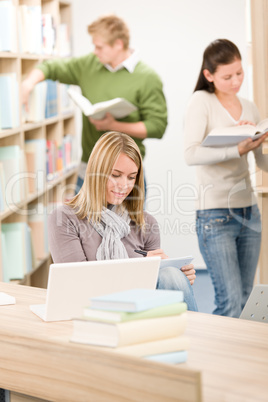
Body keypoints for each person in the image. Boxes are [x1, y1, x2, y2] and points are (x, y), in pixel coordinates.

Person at [48, 131, 198, 311]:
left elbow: (151, 291)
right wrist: (140, 265)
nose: (124, 185)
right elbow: (77, 284)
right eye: (115, 175)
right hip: (91, 308)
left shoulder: (146, 223)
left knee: (171, 275)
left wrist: (179, 275)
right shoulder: (65, 218)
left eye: (131, 177)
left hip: (138, 308)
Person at [21, 14, 168, 193]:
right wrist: (28, 84)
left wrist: (114, 125)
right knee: (78, 221)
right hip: (89, 170)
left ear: (119, 44)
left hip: (126, 174)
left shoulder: (147, 78)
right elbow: (51, 68)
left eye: (99, 47)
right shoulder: (89, 65)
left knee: (127, 222)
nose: (95, 51)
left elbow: (157, 127)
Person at [184, 39, 268, 317]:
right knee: (230, 302)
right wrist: (237, 148)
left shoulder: (250, 107)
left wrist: (260, 145)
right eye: (227, 76)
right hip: (215, 214)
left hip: (249, 211)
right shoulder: (201, 101)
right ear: (209, 75)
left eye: (239, 73)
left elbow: (260, 163)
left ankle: (242, 361)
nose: (236, 81)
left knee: (246, 302)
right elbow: (191, 155)